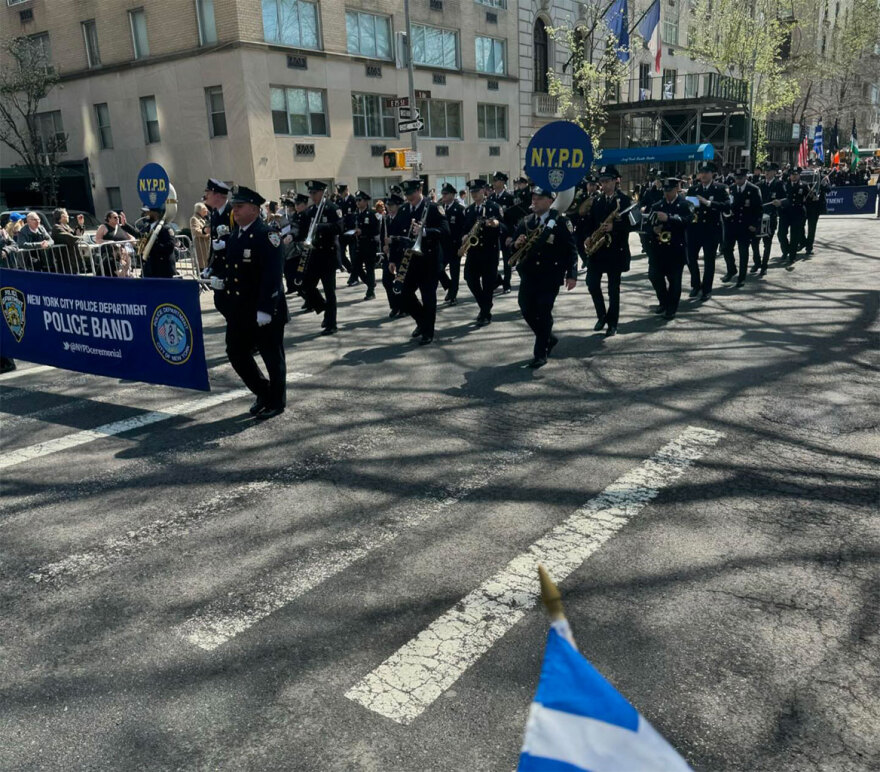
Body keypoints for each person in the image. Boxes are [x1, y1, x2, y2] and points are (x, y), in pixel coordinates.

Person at [212, 185, 288, 419]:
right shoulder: (236, 235)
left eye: (240, 206)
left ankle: (276, 401)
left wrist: (265, 308)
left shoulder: (268, 235)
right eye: (234, 206)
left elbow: (272, 275)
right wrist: (221, 281)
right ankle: (263, 391)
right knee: (235, 352)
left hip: (265, 310)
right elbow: (235, 271)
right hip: (241, 309)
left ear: (254, 209)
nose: (234, 210)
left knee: (272, 357)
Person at [510, 186, 578, 368]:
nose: (535, 200)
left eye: (539, 197)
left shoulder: (561, 222)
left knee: (543, 311)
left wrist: (572, 275)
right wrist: (516, 244)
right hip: (529, 274)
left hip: (550, 275)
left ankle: (540, 353)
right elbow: (512, 247)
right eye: (533, 197)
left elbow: (571, 250)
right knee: (526, 309)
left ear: (550, 201)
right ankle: (549, 337)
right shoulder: (526, 221)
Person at [391, 178, 450, 345]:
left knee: (428, 297)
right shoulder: (403, 210)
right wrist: (392, 259)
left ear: (419, 190)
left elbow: (445, 231)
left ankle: (428, 331)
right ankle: (422, 322)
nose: (409, 197)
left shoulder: (432, 207)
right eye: (406, 194)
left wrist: (424, 232)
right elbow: (396, 237)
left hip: (429, 261)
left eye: (411, 193)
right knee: (402, 294)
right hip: (409, 261)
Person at [584, 165, 632, 337]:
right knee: (591, 283)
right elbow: (590, 222)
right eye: (601, 182)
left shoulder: (625, 200)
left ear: (615, 181)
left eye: (606, 181)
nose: (603, 185)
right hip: (598, 251)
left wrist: (615, 226)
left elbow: (633, 224)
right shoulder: (597, 201)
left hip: (615, 251)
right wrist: (588, 237)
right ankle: (602, 315)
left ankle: (613, 323)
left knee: (613, 289)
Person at [648, 178, 694, 320]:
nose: (666, 193)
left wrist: (668, 218)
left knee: (674, 280)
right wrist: (654, 229)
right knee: (654, 276)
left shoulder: (685, 204)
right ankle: (663, 301)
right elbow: (648, 224)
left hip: (676, 248)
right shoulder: (657, 205)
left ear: (676, 189)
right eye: (664, 190)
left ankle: (671, 308)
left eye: (669, 190)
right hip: (659, 249)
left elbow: (687, 221)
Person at [300, 180, 342, 334]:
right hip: (314, 255)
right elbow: (302, 230)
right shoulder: (310, 211)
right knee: (306, 285)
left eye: (314, 193)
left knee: (329, 290)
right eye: (310, 193)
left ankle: (331, 323)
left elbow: (339, 227)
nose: (312, 196)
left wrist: (319, 227)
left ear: (322, 193)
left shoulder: (332, 208)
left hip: (328, 255)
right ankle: (323, 307)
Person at [685, 161, 730, 301]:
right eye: (701, 172)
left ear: (712, 174)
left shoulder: (720, 188)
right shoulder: (694, 189)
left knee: (709, 261)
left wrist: (708, 203)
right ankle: (695, 285)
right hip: (694, 230)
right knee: (691, 259)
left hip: (711, 230)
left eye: (706, 172)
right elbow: (688, 208)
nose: (703, 175)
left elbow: (727, 206)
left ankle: (706, 289)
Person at [460, 178, 503, 326]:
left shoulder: (493, 207)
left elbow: (504, 226)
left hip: (490, 251)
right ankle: (485, 305)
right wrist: (465, 236)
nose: (474, 194)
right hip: (474, 251)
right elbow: (464, 228)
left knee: (487, 282)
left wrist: (496, 224)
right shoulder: (469, 210)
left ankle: (485, 313)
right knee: (469, 278)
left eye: (477, 191)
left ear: (484, 191)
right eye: (472, 192)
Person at [721, 168, 762, 288]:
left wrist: (754, 224)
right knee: (726, 249)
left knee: (743, 252)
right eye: (736, 178)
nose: (738, 180)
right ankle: (731, 270)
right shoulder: (731, 189)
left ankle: (741, 277)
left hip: (746, 226)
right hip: (731, 224)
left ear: (745, 177)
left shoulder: (753, 189)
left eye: (740, 178)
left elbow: (758, 209)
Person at [203, 178, 234, 318]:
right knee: (219, 301)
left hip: (233, 265)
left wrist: (227, 244)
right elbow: (213, 242)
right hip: (220, 266)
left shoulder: (233, 212)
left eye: (208, 192)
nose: (205, 195)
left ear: (216, 195)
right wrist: (209, 265)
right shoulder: (215, 214)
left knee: (231, 302)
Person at [775, 166, 809, 268]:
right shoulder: (784, 185)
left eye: (796, 175)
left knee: (795, 236)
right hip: (785, 213)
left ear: (799, 175)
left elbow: (810, 198)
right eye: (792, 175)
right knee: (781, 234)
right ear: (789, 176)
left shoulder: (804, 185)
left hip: (797, 213)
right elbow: (779, 197)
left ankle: (792, 256)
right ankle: (786, 250)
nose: (794, 177)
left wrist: (813, 196)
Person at [381, 191, 408, 319]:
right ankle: (394, 305)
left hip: (400, 254)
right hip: (388, 255)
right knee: (386, 281)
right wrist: (384, 246)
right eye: (388, 205)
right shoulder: (385, 219)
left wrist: (393, 241)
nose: (389, 207)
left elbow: (404, 238)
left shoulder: (403, 219)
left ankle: (403, 306)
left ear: (398, 205)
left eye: (391, 205)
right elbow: (383, 236)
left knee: (400, 282)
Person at [439, 182, 465, 305]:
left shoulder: (459, 209)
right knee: (438, 269)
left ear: (452, 195)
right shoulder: (439, 208)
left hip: (455, 246)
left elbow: (463, 228)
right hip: (442, 246)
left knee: (455, 272)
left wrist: (463, 246)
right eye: (442, 193)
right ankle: (449, 286)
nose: (443, 195)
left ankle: (453, 294)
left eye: (445, 193)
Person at [488, 171, 515, 292]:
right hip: (493, 234)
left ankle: (507, 284)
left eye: (496, 180)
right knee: (492, 261)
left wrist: (511, 235)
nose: (494, 183)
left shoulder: (510, 198)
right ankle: (497, 280)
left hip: (506, 234)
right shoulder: (491, 198)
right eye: (493, 180)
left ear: (503, 182)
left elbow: (513, 220)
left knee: (506, 261)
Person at [352, 190, 379, 300]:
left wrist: (363, 232)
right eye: (356, 200)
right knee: (357, 267)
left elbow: (376, 231)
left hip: (369, 244)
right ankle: (370, 283)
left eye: (360, 200)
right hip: (358, 244)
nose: (357, 202)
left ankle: (370, 292)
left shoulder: (372, 214)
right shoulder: (356, 214)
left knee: (369, 268)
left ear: (366, 201)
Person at [95, 210, 135, 277]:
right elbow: (97, 240)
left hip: (123, 254)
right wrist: (110, 242)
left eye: (118, 217)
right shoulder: (103, 227)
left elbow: (132, 238)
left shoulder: (121, 227)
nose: (117, 219)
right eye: (115, 217)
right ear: (109, 219)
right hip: (110, 255)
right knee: (117, 272)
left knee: (127, 272)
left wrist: (131, 242)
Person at [140, 207, 176, 278]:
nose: (144, 214)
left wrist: (152, 246)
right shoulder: (147, 227)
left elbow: (170, 246)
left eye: (147, 212)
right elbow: (139, 235)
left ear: (155, 214)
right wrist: (125, 225)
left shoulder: (165, 228)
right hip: (150, 269)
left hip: (162, 269)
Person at [803, 168, 830, 255]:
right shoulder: (803, 176)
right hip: (804, 205)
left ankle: (809, 247)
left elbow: (828, 190)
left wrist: (825, 184)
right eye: (811, 165)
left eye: (815, 165)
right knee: (799, 226)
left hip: (815, 206)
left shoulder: (821, 177)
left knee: (812, 228)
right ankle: (803, 242)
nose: (813, 167)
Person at [50, 208, 86, 273]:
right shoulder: (57, 227)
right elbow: (70, 238)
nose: (68, 216)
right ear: (62, 216)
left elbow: (76, 235)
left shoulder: (67, 226)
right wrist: (80, 238)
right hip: (66, 261)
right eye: (67, 214)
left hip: (73, 259)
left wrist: (80, 224)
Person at [335, 183, 357, 281]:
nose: (341, 194)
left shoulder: (354, 200)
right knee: (340, 254)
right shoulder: (339, 200)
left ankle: (354, 276)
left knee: (353, 255)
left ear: (346, 190)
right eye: (339, 192)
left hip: (352, 231)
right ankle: (351, 269)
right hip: (342, 231)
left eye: (342, 192)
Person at [190, 202, 211, 271]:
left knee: (207, 265)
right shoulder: (194, 219)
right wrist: (206, 234)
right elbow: (195, 231)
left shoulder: (204, 218)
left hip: (206, 247)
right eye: (204, 209)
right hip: (201, 247)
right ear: (199, 210)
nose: (206, 211)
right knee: (201, 267)